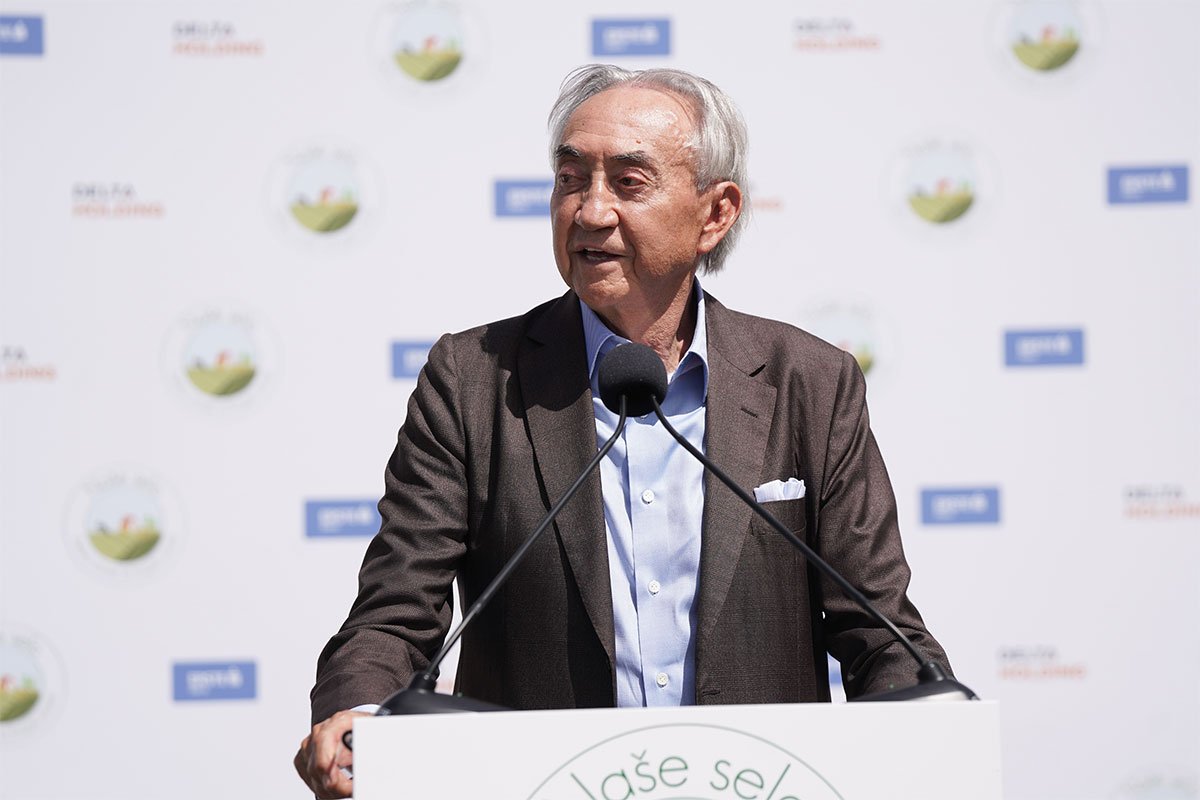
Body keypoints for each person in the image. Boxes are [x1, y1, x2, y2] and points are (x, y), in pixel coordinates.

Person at [294, 64, 952, 798]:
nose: (590, 211)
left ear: (715, 213)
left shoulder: (810, 383)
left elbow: (880, 631)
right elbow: (396, 612)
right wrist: (359, 712)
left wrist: (931, 729)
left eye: (629, 183)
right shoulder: (475, 379)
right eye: (571, 179)